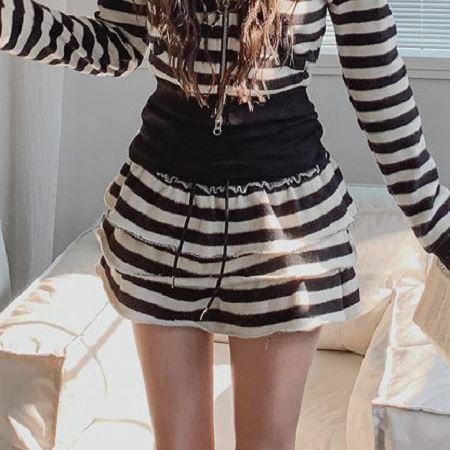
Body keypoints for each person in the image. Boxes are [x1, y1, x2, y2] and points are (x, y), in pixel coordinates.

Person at [1, 0, 449, 448]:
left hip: (283, 232)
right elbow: (116, 46)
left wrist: (439, 226)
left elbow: (380, 87)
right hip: (163, 219)